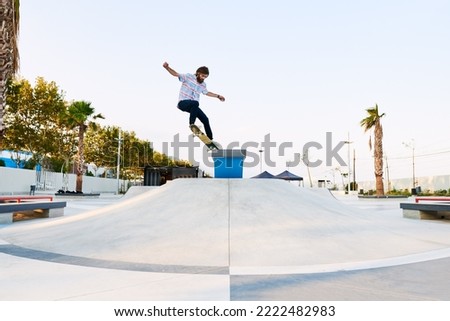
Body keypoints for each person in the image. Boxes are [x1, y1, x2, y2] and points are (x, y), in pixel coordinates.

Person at [163, 62, 225, 140]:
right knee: (195, 103)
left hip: (193, 106)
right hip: (183, 103)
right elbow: (176, 74)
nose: (203, 78)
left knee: (205, 119)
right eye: (202, 76)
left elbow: (206, 92)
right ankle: (192, 125)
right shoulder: (188, 77)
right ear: (198, 73)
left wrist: (218, 96)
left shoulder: (203, 84)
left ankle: (210, 140)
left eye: (205, 77)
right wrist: (167, 68)